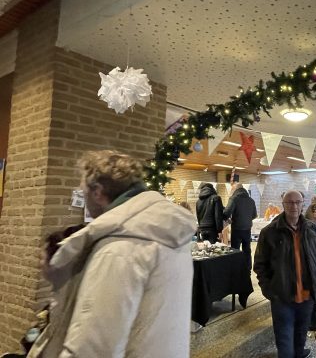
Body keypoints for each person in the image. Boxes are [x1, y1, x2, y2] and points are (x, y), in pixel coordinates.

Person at [30, 150, 197, 357]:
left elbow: (93, 348)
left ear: (97, 192)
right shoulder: (165, 231)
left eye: (83, 188)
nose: (81, 193)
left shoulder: (119, 249)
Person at [254, 190, 316, 358]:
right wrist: (270, 291)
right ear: (283, 204)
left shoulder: (312, 229)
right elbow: (260, 265)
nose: (294, 206)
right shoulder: (270, 232)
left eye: (297, 202)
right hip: (282, 297)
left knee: (300, 340)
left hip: (307, 296)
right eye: (289, 202)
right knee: (285, 344)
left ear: (302, 204)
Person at [224, 183, 257, 271]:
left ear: (235, 189)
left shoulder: (234, 199)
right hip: (247, 229)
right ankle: (247, 269)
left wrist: (230, 218)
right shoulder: (251, 200)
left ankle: (235, 269)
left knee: (235, 250)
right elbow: (254, 215)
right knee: (247, 250)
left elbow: (226, 213)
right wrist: (247, 219)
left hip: (237, 228)